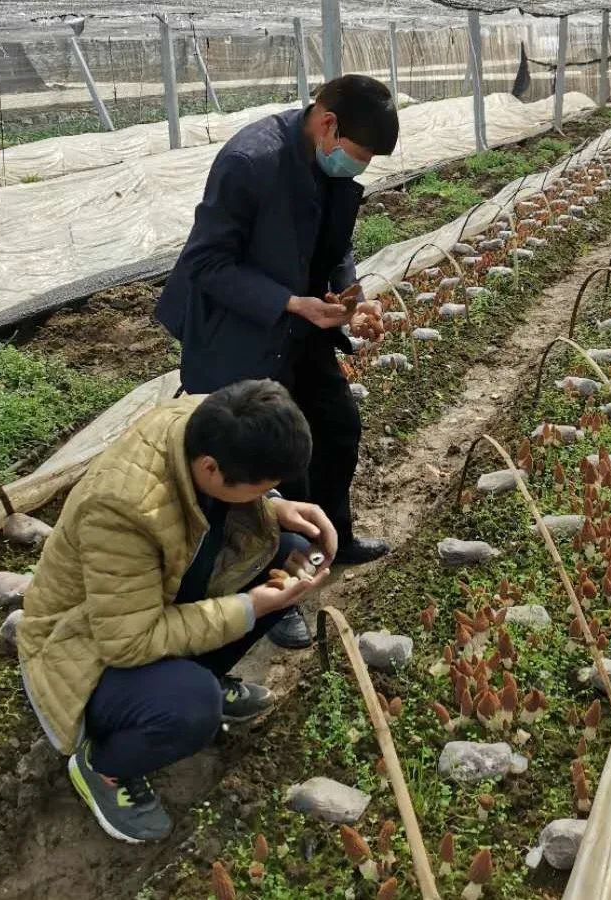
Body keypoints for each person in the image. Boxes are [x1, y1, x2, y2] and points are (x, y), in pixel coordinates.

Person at [17, 380, 334, 844]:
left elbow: (241, 506)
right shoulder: (121, 509)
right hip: (81, 650)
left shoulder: (205, 421)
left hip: (144, 602)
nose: (269, 493)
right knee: (192, 706)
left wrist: (278, 508)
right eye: (263, 486)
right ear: (210, 468)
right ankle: (105, 765)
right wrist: (248, 606)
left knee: (284, 551)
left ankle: (199, 672)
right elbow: (127, 642)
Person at [155, 74, 400, 649]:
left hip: (300, 325)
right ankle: (277, 588)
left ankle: (333, 537)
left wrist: (350, 297)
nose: (356, 169)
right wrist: (290, 302)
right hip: (237, 333)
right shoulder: (249, 161)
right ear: (328, 124)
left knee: (338, 426)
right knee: (269, 467)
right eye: (357, 157)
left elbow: (335, 244)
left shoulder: (325, 160)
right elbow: (207, 264)